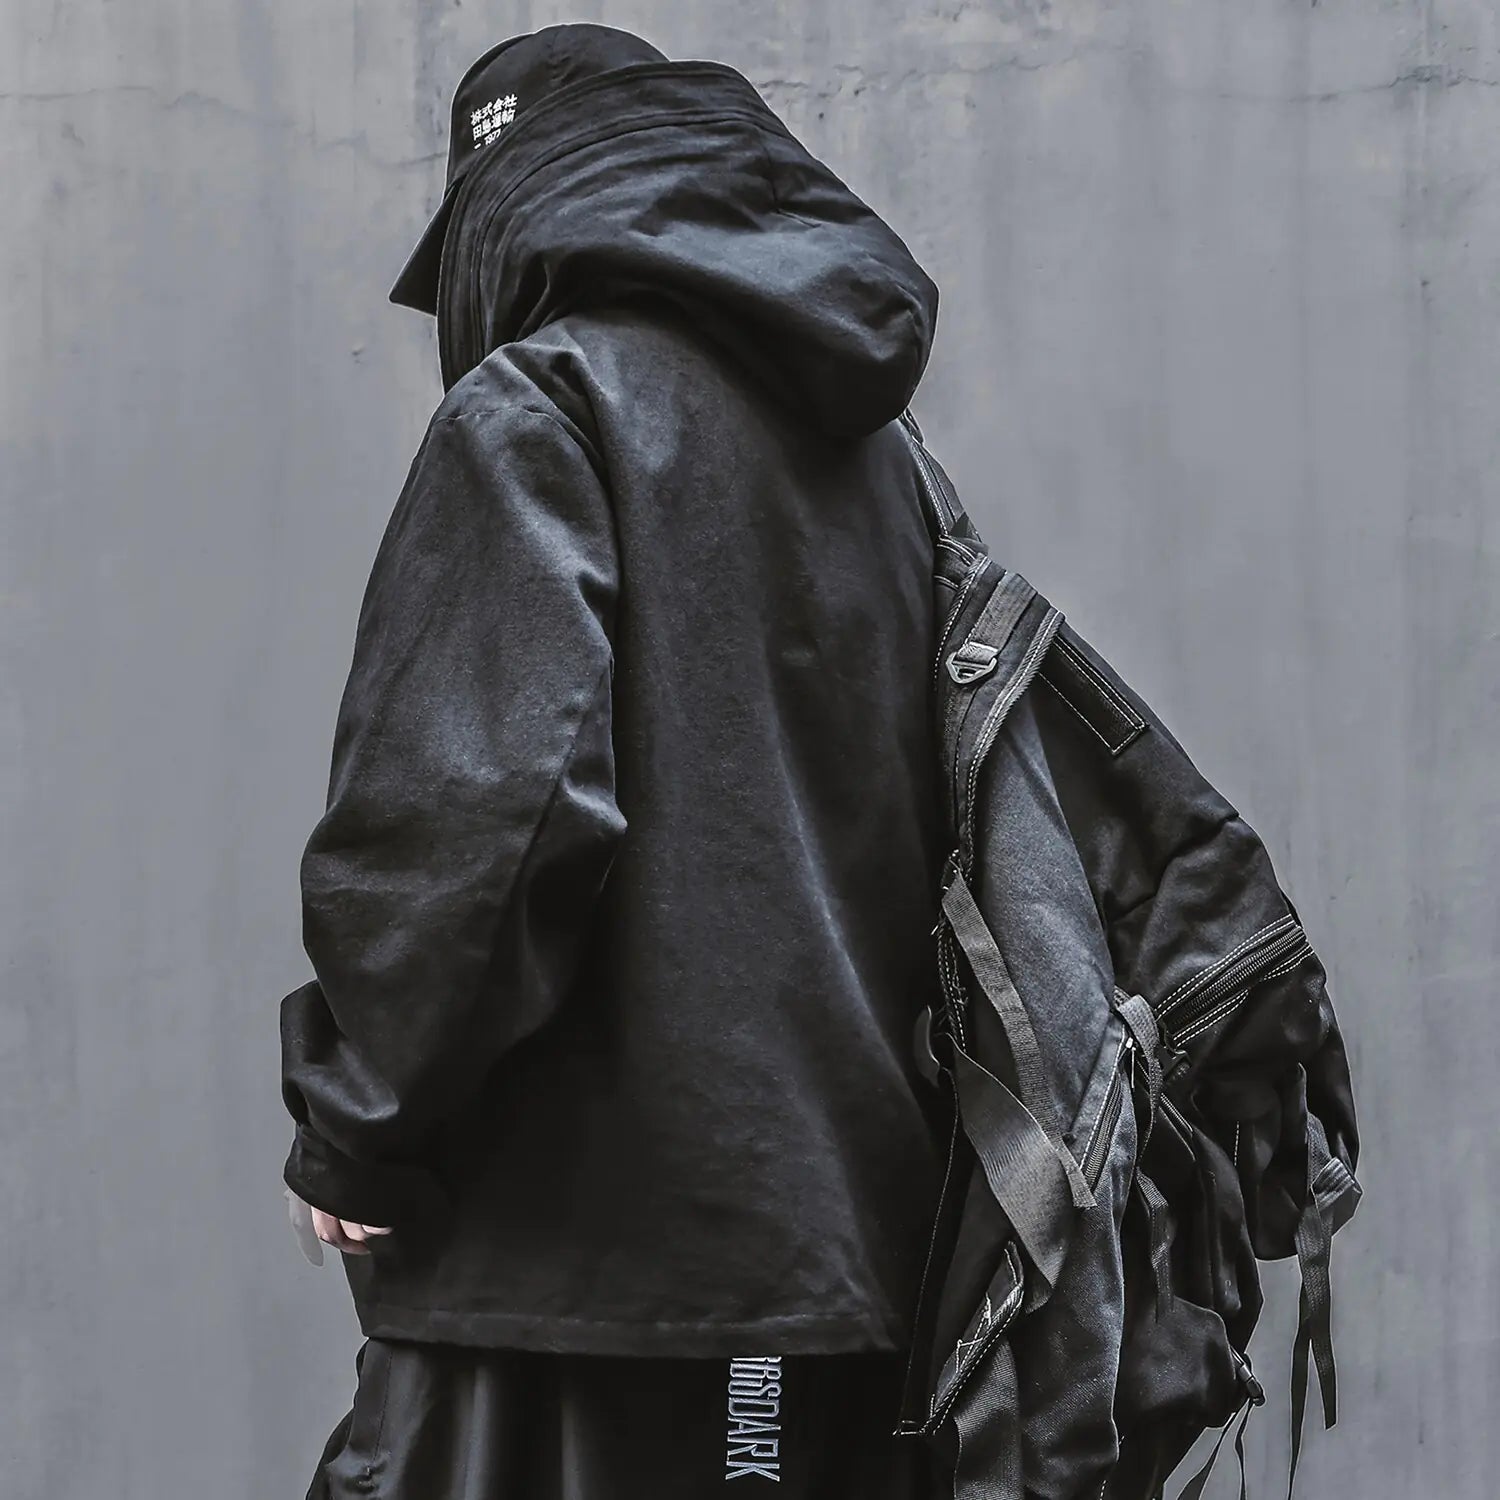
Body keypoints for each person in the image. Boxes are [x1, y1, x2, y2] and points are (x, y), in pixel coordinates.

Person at [279, 22, 953, 1499]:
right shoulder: (888, 468)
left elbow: (485, 815)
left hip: (585, 1287)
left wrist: (362, 1122)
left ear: (512, 212)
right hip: (845, 1269)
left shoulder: (541, 407)